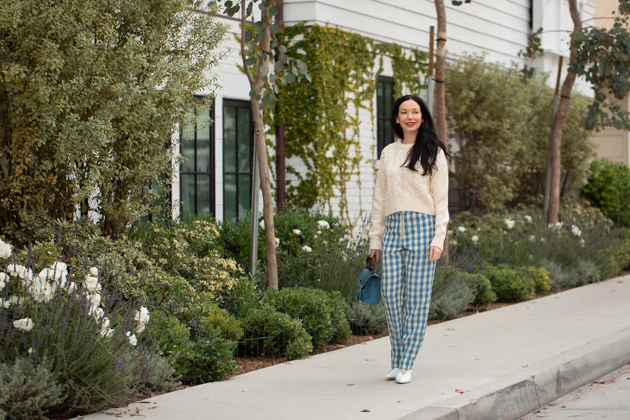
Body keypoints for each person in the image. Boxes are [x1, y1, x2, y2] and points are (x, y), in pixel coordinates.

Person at [369, 94, 450, 384]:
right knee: (390, 296)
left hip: (423, 230)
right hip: (392, 230)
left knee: (416, 301)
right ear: (397, 118)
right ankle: (397, 358)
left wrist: (438, 238)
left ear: (422, 116)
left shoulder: (433, 152)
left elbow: (441, 199)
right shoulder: (388, 152)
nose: (409, 116)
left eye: (415, 111)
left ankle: (406, 364)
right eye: (404, 112)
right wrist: (374, 241)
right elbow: (379, 199)